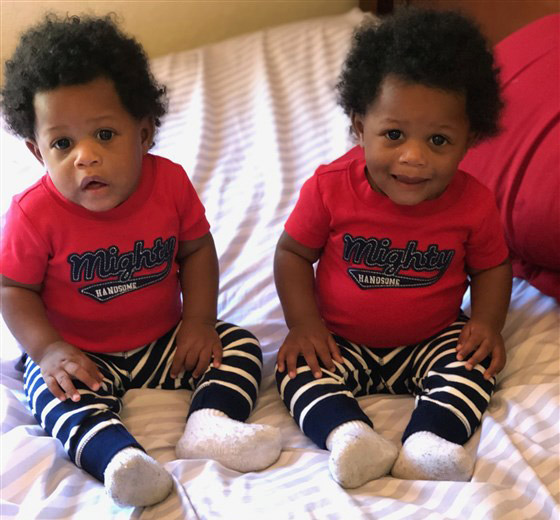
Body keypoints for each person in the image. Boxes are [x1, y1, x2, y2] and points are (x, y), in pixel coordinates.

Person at [0, 14, 281, 508]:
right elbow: (13, 288)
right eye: (62, 143)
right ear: (37, 152)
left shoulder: (168, 184)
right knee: (52, 393)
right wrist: (46, 349)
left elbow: (196, 250)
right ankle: (120, 460)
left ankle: (209, 423)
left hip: (165, 341)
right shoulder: (32, 214)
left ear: (144, 132)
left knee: (239, 345)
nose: (85, 156)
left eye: (105, 134)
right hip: (81, 352)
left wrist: (198, 322)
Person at [274, 7, 512, 489]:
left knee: (473, 366)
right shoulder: (330, 188)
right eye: (394, 134)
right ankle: (349, 435)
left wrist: (487, 323)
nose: (414, 157)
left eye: (439, 140)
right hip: (339, 338)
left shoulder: (473, 203)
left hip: (433, 338)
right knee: (297, 369)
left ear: (469, 140)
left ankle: (428, 440)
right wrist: (304, 324)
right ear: (360, 126)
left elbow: (492, 267)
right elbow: (293, 254)